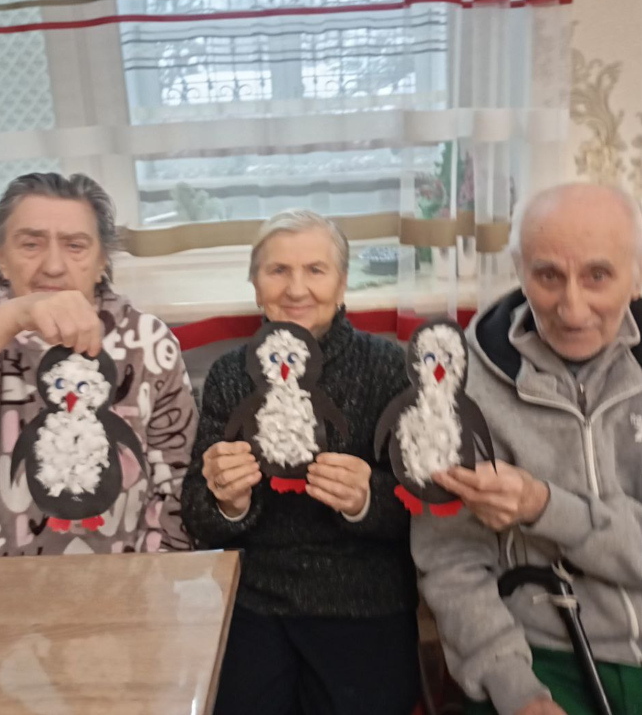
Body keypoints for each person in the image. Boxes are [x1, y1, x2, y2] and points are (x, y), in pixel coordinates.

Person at [412, 183, 642, 715]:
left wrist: (543, 506)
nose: (573, 309)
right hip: (542, 654)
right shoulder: (457, 386)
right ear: (518, 269)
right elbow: (450, 560)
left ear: (636, 276)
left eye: (598, 275)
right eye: (548, 276)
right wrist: (517, 689)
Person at [181, 210, 421, 715]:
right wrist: (229, 503)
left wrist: (367, 499)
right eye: (278, 271)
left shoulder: (387, 368)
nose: (296, 289)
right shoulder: (230, 375)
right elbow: (199, 518)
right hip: (255, 598)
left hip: (365, 597)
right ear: (255, 284)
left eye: (315, 270)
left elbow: (423, 509)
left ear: (342, 282)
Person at [0, 172, 197, 556]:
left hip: (127, 576)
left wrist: (155, 578)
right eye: (30, 244)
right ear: (1, 256)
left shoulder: (148, 343)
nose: (53, 266)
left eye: (75, 246)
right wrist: (15, 316)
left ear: (102, 261)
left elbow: (177, 488)